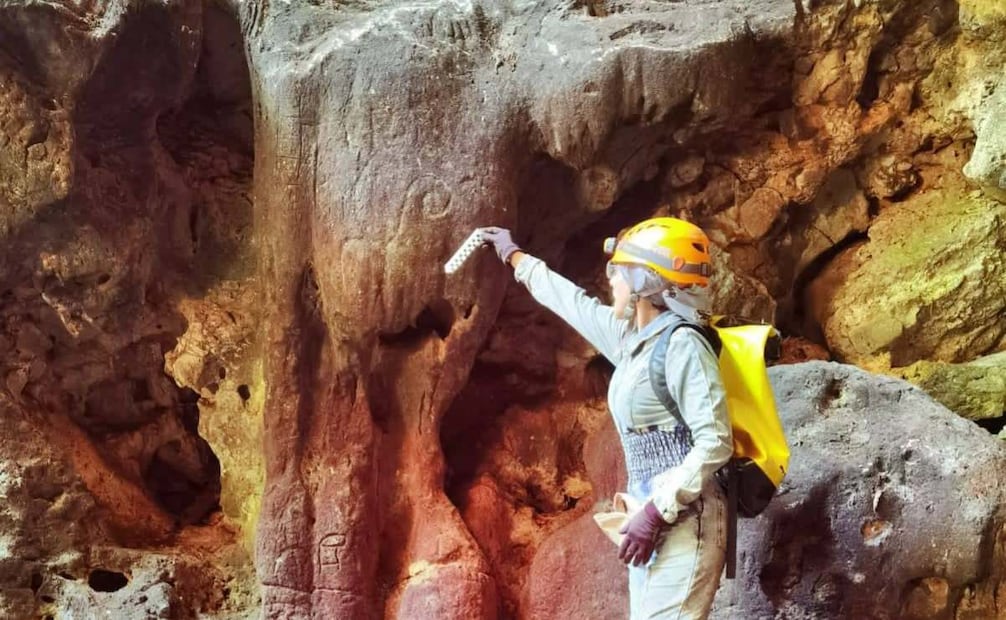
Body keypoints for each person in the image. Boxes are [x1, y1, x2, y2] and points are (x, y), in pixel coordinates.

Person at [482, 218, 732, 619]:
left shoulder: (683, 344)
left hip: (687, 518)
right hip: (649, 515)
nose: (612, 281)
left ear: (645, 282)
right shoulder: (633, 341)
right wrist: (515, 257)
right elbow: (573, 303)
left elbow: (716, 440)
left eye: (619, 272)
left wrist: (655, 513)